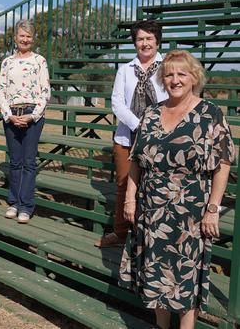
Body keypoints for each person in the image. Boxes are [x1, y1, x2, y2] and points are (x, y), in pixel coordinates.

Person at [119, 50, 235, 329]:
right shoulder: (151, 112)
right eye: (169, 74)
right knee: (157, 275)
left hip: (190, 211)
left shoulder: (210, 113)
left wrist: (212, 210)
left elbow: (223, 164)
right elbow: (136, 161)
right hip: (152, 210)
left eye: (181, 73)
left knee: (184, 280)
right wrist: (130, 200)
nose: (175, 79)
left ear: (194, 77)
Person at [95, 20, 169, 247]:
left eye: (149, 39)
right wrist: (139, 125)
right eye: (140, 39)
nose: (145, 43)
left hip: (161, 137)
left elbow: (174, 98)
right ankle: (120, 233)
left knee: (155, 187)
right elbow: (117, 103)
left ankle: (152, 236)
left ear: (157, 41)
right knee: (124, 185)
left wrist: (153, 127)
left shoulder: (169, 65)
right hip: (127, 137)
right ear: (134, 42)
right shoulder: (125, 70)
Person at [0, 19, 51, 224]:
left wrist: (32, 115)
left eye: (29, 36)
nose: (25, 39)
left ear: (33, 39)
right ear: (15, 38)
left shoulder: (40, 61)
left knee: (28, 163)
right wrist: (8, 114)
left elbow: (45, 92)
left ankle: (26, 206)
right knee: (15, 161)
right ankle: (14, 203)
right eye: (22, 35)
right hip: (11, 114)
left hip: (32, 115)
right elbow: (1, 90)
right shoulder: (7, 62)